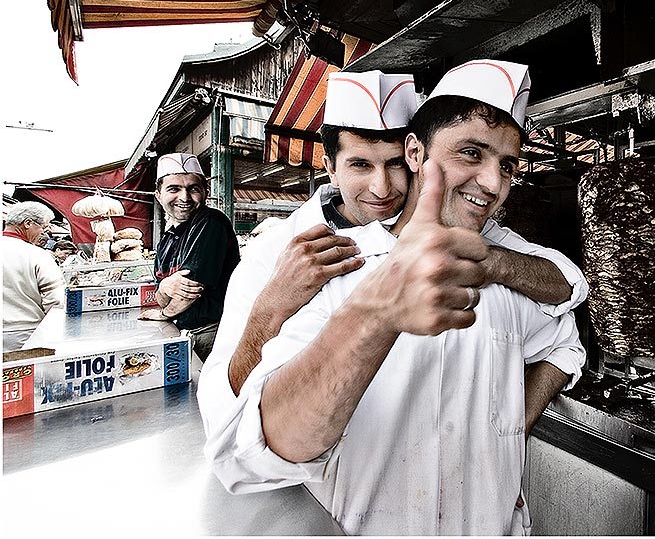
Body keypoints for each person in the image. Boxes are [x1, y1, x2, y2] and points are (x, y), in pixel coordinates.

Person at [203, 60, 587, 535]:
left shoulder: (503, 261)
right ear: (417, 154)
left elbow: (565, 338)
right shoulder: (331, 262)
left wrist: (510, 433)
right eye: (471, 153)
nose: (492, 182)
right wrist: (374, 312)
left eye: (506, 165)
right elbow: (253, 450)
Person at [139, 153, 240, 361]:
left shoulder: (210, 222)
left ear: (205, 192)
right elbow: (160, 294)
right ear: (158, 195)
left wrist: (165, 313)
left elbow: (189, 292)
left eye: (193, 189)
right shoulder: (166, 240)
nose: (184, 197)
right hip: (183, 331)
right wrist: (166, 285)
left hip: (213, 333)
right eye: (174, 189)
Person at [2, 202, 65, 351]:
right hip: (25, 335)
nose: (45, 233)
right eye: (44, 227)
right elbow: (56, 301)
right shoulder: (37, 255)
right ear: (28, 223)